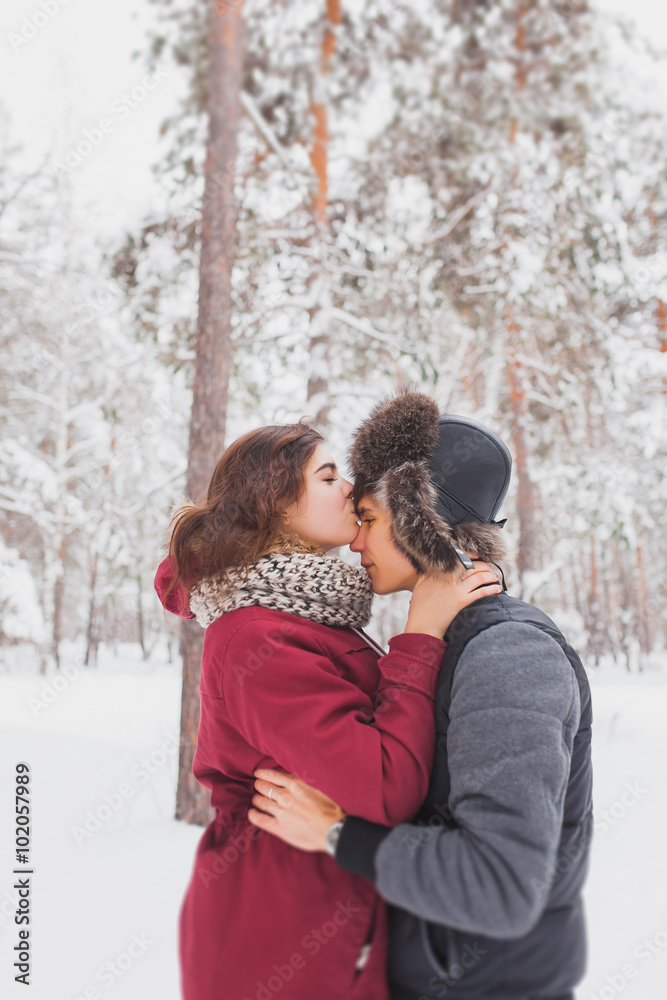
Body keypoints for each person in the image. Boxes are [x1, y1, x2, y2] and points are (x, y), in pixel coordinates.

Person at [248, 391, 594, 1000]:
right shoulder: (450, 642)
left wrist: (336, 835)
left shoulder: (508, 656)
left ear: (419, 522)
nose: (356, 543)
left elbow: (503, 885)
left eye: (371, 520)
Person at [153, 419, 502, 1000]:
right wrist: (421, 635)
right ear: (277, 504)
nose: (351, 487)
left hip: (321, 902)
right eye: (328, 475)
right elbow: (386, 783)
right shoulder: (257, 637)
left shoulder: (304, 613)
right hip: (280, 924)